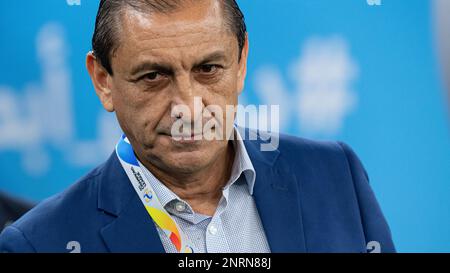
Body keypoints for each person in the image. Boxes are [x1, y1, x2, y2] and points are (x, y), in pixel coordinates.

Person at [0, 0, 395, 253]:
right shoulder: (40, 243)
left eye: (208, 69)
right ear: (104, 81)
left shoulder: (336, 175)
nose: (188, 106)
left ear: (240, 64)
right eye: (154, 76)